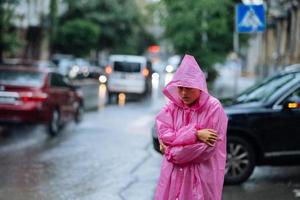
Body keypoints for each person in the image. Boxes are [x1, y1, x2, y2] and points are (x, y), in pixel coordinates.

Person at [154, 54, 228, 200]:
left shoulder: (213, 108)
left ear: (199, 86)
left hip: (201, 180)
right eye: (180, 88)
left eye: (188, 88)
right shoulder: (173, 107)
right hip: (173, 177)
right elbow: (164, 134)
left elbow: (206, 149)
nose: (183, 93)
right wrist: (195, 134)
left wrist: (171, 151)